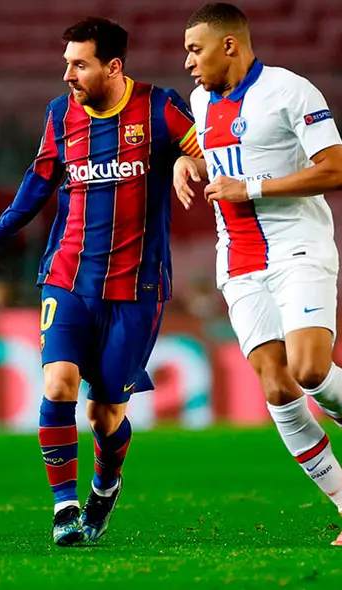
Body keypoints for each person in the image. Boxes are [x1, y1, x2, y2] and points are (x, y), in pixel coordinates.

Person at [0, 17, 203, 546]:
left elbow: (204, 150)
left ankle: (105, 485)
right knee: (58, 384)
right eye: (66, 64)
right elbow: (38, 182)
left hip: (138, 287)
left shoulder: (160, 108)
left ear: (112, 66)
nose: (68, 75)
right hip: (68, 276)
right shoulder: (60, 115)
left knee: (104, 414)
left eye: (80, 64)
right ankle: (64, 508)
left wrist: (184, 165)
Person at [175, 2, 342, 546]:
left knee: (311, 370)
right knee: (278, 387)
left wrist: (251, 188)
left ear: (229, 45)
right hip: (240, 263)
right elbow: (212, 146)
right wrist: (187, 162)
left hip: (297, 248)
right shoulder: (202, 100)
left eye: (195, 50)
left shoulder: (291, 91)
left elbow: (335, 167)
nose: (188, 64)